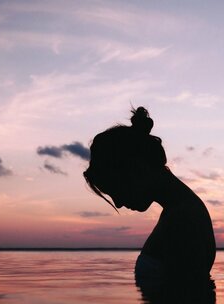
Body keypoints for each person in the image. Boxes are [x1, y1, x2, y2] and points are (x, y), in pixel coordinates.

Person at [83, 107, 216, 281]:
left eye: (116, 189)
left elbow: (186, 301)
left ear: (135, 168)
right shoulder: (181, 212)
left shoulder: (183, 219)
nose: (118, 203)